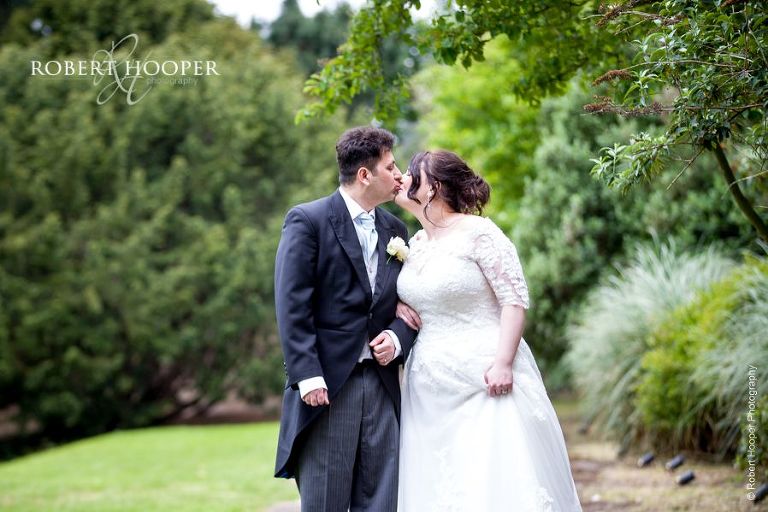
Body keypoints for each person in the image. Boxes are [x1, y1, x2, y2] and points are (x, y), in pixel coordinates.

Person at [381, 150, 583, 511]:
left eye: (412, 173)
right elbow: (419, 295)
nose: (403, 179)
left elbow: (514, 300)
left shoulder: (479, 233)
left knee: (491, 478)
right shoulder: (416, 244)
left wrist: (503, 362)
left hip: (484, 377)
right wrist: (396, 303)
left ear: (433, 187)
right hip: (428, 387)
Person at [273, 126, 418, 512]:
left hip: (384, 386)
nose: (400, 174)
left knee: (383, 501)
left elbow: (410, 303)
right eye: (391, 166)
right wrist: (307, 374)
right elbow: (292, 303)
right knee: (325, 502)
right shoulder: (308, 221)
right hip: (330, 388)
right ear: (365, 175)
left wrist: (399, 336)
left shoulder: (396, 229)